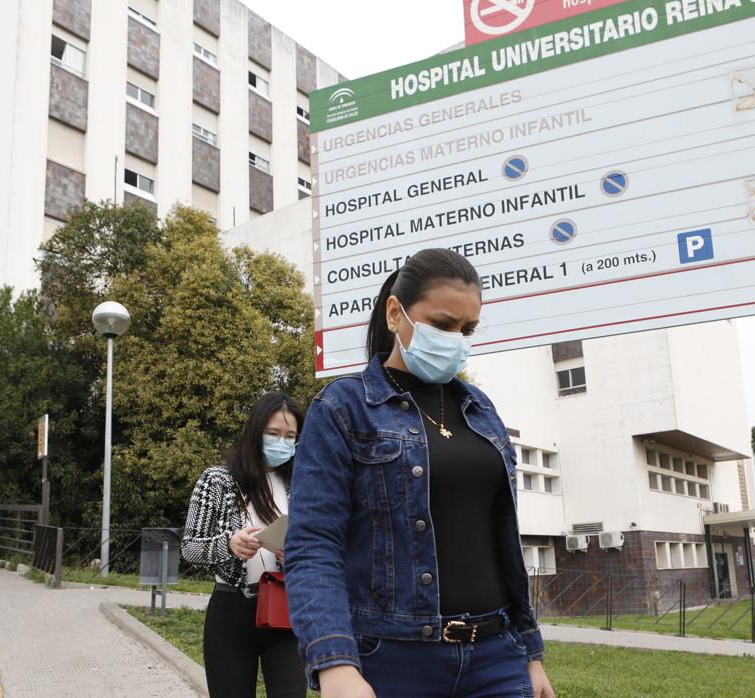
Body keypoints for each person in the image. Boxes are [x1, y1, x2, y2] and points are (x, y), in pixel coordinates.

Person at [286, 249, 555, 698]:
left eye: (467, 329)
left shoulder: (480, 410)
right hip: (392, 659)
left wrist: (530, 653)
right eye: (443, 324)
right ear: (396, 313)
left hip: (497, 657)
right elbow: (313, 544)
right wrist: (334, 662)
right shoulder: (342, 408)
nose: (457, 339)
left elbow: (500, 538)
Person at [182, 392, 308, 698]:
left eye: (290, 436)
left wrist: (295, 553)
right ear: (254, 432)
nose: (282, 442)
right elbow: (190, 547)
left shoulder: (301, 482)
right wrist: (229, 544)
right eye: (274, 433)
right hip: (232, 612)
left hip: (284, 608)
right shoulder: (218, 480)